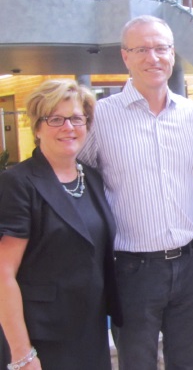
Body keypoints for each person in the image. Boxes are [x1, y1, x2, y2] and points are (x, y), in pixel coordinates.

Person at [78, 15, 193, 370]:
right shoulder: (100, 118)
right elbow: (76, 179)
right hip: (132, 269)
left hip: (192, 264)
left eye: (161, 48)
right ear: (125, 56)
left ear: (172, 54)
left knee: (189, 362)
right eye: (142, 49)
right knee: (136, 363)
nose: (153, 57)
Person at [0, 79, 122, 369]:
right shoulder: (18, 183)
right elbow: (3, 273)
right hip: (42, 338)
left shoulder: (91, 177)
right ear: (38, 127)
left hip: (90, 330)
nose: (68, 127)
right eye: (55, 119)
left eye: (77, 118)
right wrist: (22, 354)